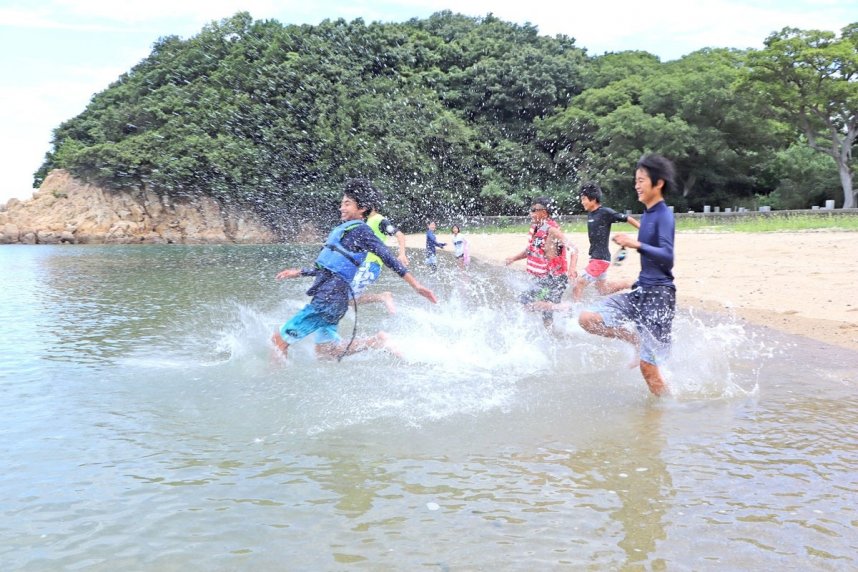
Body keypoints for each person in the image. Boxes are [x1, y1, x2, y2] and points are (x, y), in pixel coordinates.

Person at [271, 178, 437, 360]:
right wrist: (300, 272)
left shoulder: (363, 231)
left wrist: (416, 286)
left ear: (362, 209)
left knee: (278, 342)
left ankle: (272, 384)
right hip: (333, 297)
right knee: (326, 352)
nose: (342, 207)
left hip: (329, 298)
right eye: (342, 203)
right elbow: (330, 267)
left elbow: (387, 257)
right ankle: (376, 342)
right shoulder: (344, 231)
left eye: (347, 204)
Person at [578, 154, 677, 396]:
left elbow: (667, 256)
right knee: (587, 318)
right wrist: (627, 247)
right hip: (640, 291)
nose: (637, 185)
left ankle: (668, 412)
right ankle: (636, 340)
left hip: (659, 297)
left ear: (659, 182)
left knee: (648, 368)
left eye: (642, 180)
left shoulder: (663, 215)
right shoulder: (649, 215)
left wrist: (636, 245)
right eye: (636, 180)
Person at [504, 197, 578, 329]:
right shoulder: (538, 229)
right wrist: (514, 258)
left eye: (534, 210)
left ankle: (563, 308)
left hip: (555, 278)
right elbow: (531, 250)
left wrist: (572, 269)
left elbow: (574, 249)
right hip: (547, 277)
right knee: (546, 314)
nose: (531, 214)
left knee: (525, 301)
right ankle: (553, 338)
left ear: (544, 212)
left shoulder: (552, 230)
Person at [572, 182, 640, 301]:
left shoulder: (605, 212)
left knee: (579, 284)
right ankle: (633, 283)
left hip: (600, 259)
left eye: (584, 199)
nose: (582, 202)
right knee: (602, 289)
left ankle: (573, 314)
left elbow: (627, 218)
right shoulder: (591, 214)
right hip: (595, 257)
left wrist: (643, 230)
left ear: (593, 199)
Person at [350, 197, 410, 314]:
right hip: (363, 265)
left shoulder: (380, 220)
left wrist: (402, 254)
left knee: (348, 298)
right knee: (348, 299)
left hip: (371, 265)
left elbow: (400, 235)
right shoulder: (365, 222)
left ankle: (383, 297)